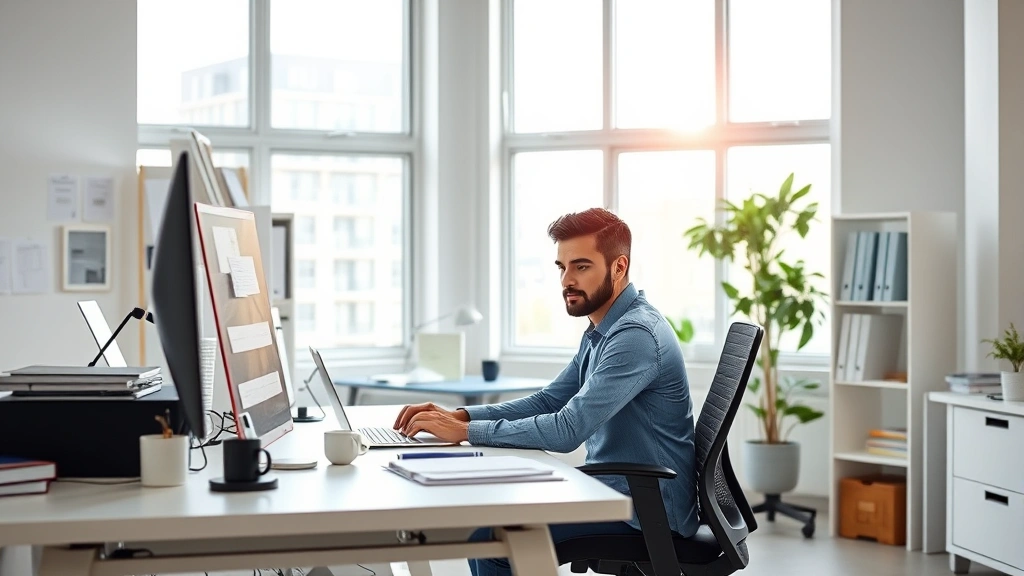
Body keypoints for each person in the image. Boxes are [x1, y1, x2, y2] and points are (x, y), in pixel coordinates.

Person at [393, 208, 697, 576]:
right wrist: (462, 416)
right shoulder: (603, 330)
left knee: (493, 539)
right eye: (561, 267)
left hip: (646, 510)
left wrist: (466, 432)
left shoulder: (635, 336)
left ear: (619, 267)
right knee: (486, 525)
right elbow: (549, 401)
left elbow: (567, 430)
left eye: (581, 267)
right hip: (616, 491)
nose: (567, 280)